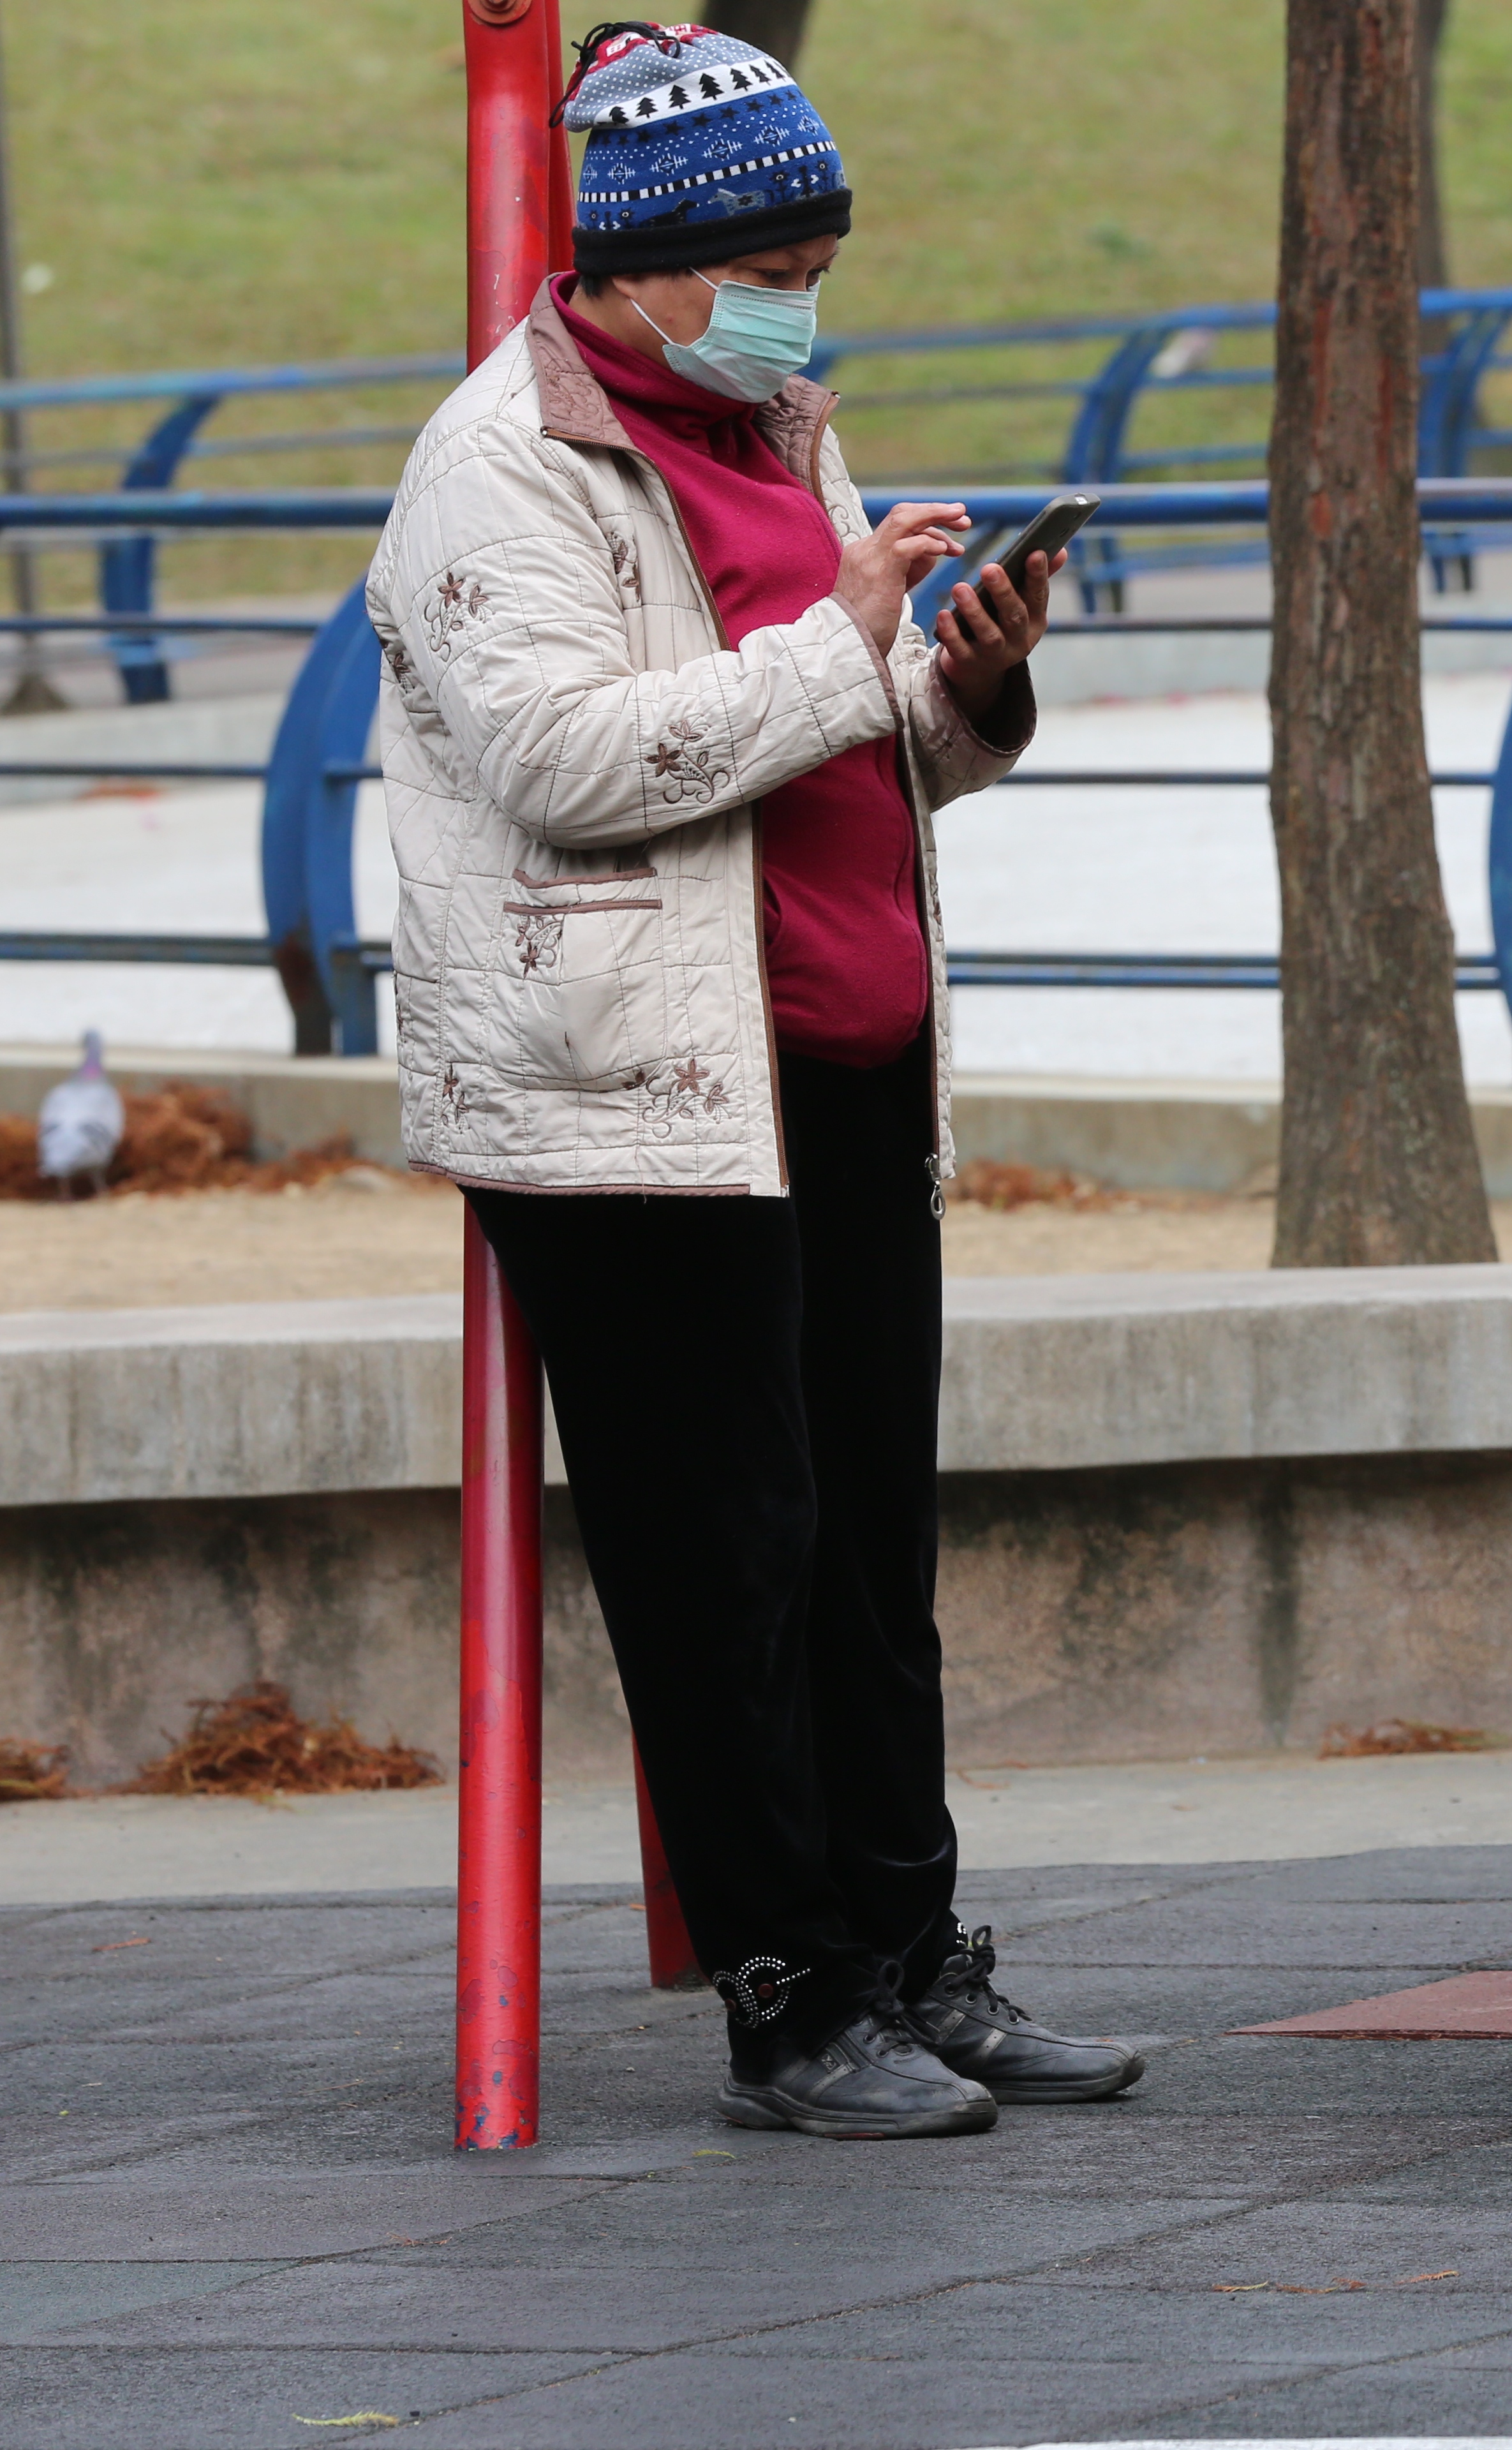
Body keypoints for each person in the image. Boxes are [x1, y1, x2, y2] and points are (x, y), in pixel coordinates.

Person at [369, 23, 1136, 2137]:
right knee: (731, 1562)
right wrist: (840, 641)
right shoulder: (499, 466)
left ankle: (915, 1953)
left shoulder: (777, 414)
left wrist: (962, 677)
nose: (811, 288)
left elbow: (840, 732)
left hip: (842, 1069)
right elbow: (564, 757)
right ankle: (791, 2000)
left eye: (823, 246)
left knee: (870, 1549)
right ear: (657, 258)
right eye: (779, 249)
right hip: (632, 1095)